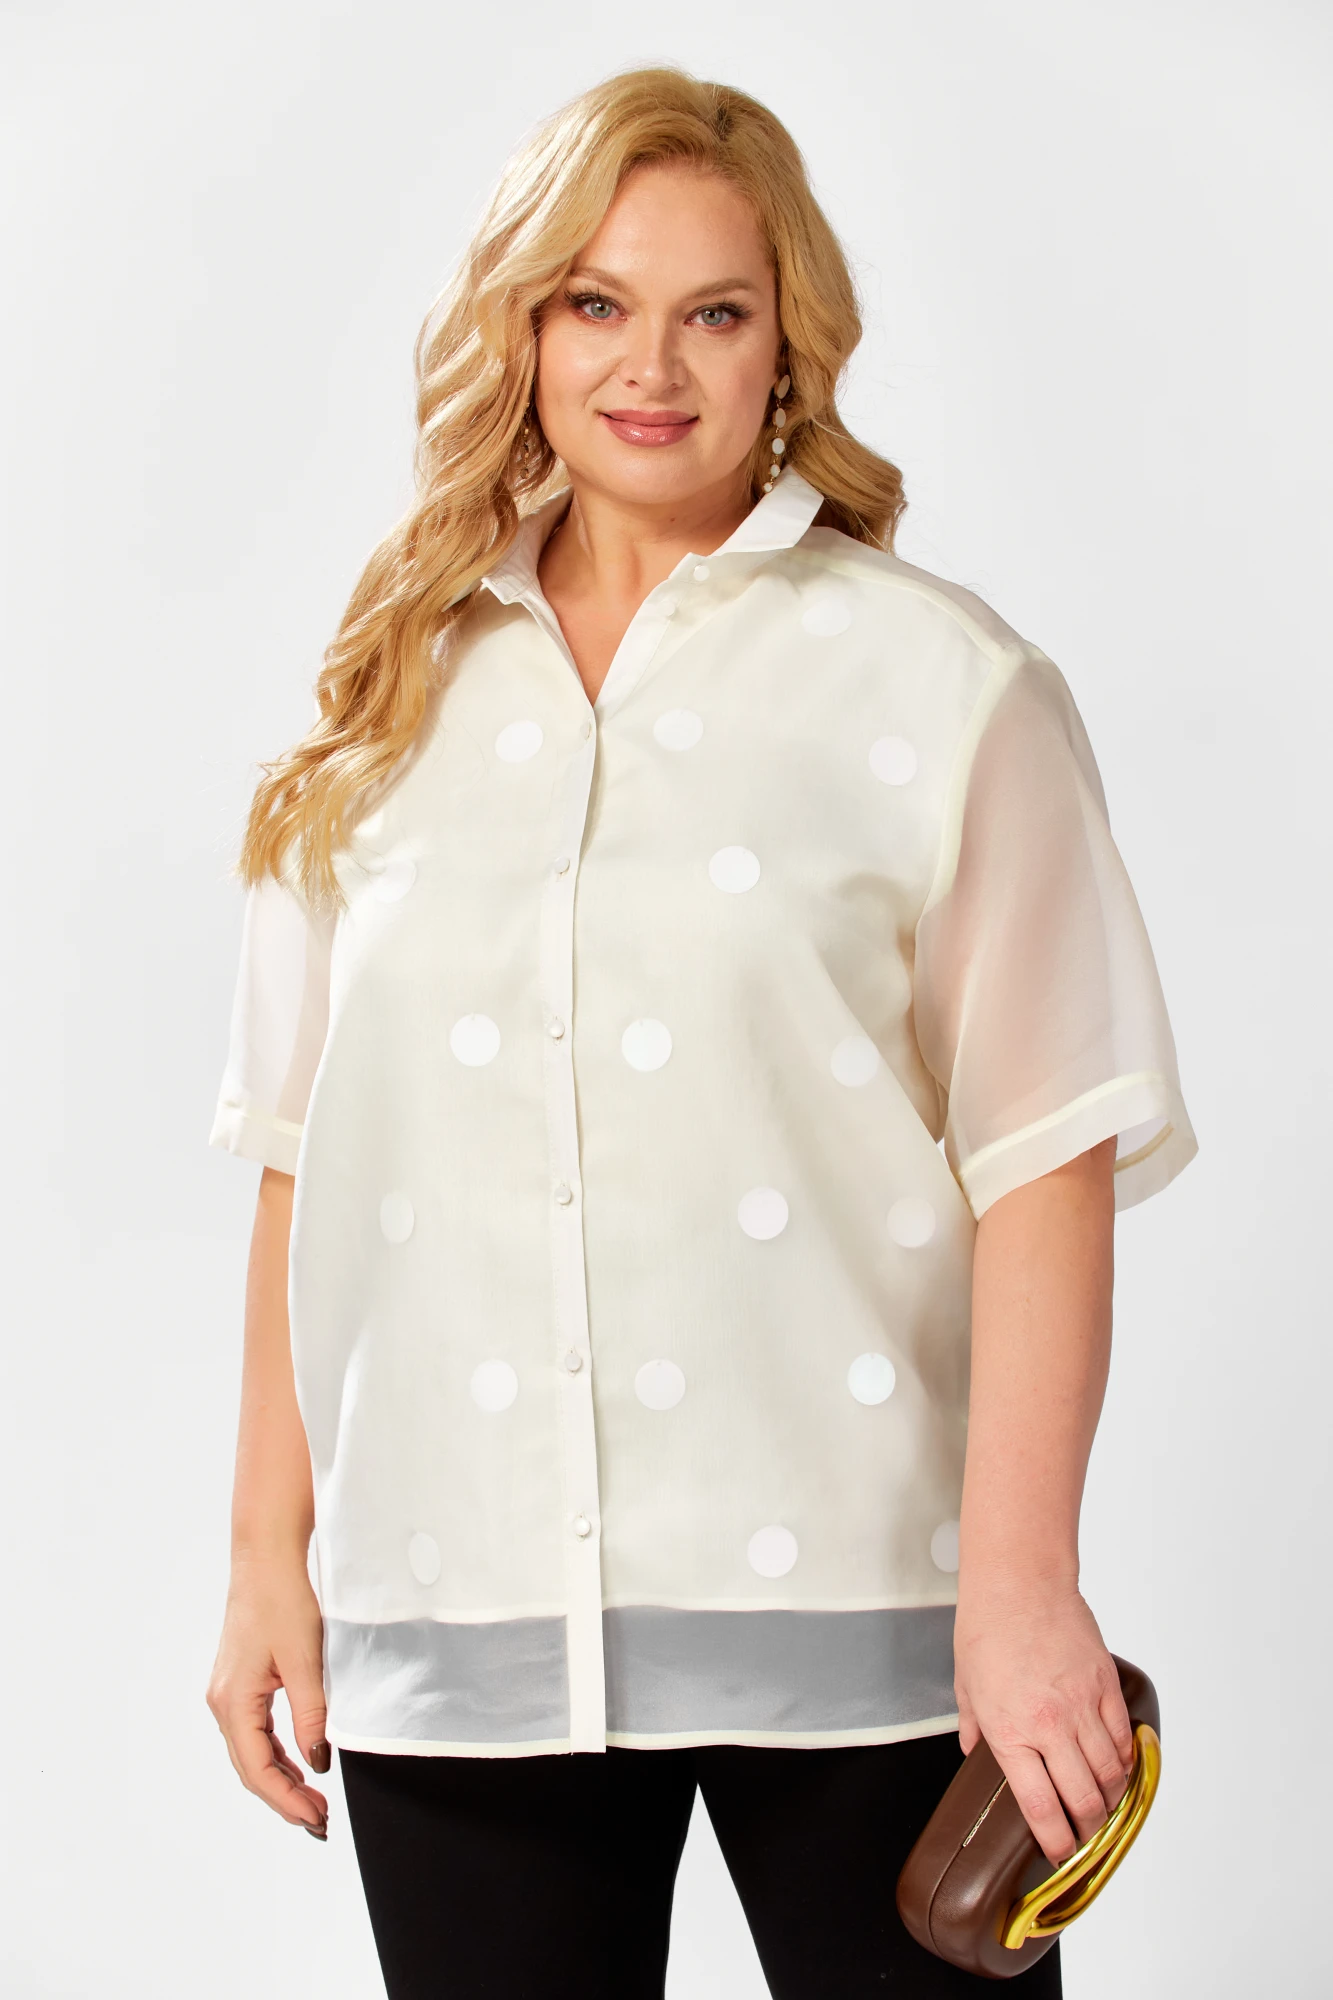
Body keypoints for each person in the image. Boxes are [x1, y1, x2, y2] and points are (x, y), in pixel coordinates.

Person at [204, 64, 1196, 1999]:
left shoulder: (944, 687)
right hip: (464, 1628)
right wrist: (264, 1559)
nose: (648, 366)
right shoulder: (385, 707)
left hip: (870, 1632)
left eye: (713, 311)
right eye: (596, 302)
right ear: (523, 328)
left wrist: (1023, 1590)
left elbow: (1045, 1158)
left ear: (786, 345)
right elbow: (305, 1164)